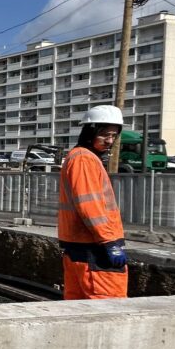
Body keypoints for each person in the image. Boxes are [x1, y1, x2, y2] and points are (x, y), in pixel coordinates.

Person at [58, 105, 128, 300]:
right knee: (108, 308)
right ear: (90, 132)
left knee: (78, 308)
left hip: (82, 249)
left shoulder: (81, 157)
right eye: (104, 134)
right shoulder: (84, 159)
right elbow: (90, 206)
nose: (110, 141)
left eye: (114, 135)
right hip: (94, 250)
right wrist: (110, 242)